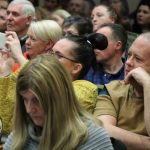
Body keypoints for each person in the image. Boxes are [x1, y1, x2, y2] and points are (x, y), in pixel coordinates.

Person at [3, 54, 114, 150]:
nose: (29, 109)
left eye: (37, 100)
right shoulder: (20, 137)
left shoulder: (93, 139)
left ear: (58, 98)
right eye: (24, 99)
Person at [94, 32, 150, 149]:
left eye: (138, 59)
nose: (128, 62)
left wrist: (147, 84)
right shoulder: (112, 89)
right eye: (129, 55)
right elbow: (102, 130)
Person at [52, 33, 108, 112]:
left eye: (59, 56)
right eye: (51, 52)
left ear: (76, 68)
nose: (49, 58)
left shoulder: (82, 92)